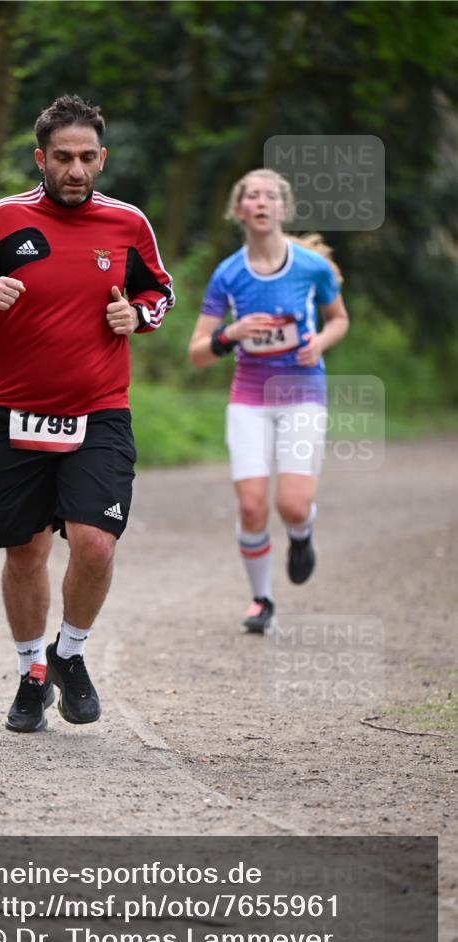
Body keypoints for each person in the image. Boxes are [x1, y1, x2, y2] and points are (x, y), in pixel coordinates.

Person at [0, 95, 174, 730]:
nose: (76, 169)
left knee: (96, 545)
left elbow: (160, 290)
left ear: (103, 158)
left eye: (87, 157)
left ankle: (69, 655)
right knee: (24, 552)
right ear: (41, 158)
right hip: (16, 413)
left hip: (100, 411)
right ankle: (30, 675)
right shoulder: (2, 218)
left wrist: (139, 316)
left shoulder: (127, 223)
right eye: (63, 158)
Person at [188, 168, 349, 634]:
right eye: (252, 196)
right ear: (239, 210)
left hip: (303, 395)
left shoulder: (310, 267)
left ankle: (301, 536)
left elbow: (339, 319)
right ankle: (261, 598)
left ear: (283, 209)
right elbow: (197, 353)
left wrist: (320, 341)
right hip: (249, 398)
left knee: (293, 506)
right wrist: (230, 334)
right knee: (253, 506)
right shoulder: (228, 274)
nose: (261, 202)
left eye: (270, 196)